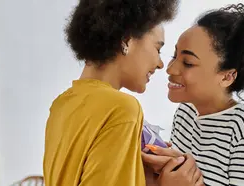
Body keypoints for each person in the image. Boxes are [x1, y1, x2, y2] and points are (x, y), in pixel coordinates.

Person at [43, 0, 203, 185]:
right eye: (157, 49)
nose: (160, 64)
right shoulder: (121, 108)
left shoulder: (61, 105)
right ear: (127, 41)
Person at [143, 2, 244, 186]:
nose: (170, 68)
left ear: (227, 77)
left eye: (188, 63)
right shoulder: (186, 112)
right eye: (175, 56)